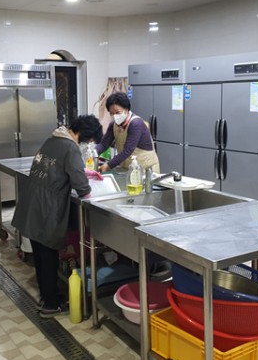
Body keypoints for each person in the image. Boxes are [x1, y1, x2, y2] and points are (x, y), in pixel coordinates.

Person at [11, 115, 103, 318]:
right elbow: (80, 185)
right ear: (84, 134)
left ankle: (47, 297)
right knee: (48, 257)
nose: (87, 144)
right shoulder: (70, 147)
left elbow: (58, 168)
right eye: (89, 140)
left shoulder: (53, 139)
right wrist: (89, 191)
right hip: (46, 207)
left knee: (40, 255)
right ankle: (51, 305)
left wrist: (85, 172)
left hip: (32, 204)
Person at [95, 92, 160, 173]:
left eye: (117, 112)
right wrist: (93, 152)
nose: (115, 116)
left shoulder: (136, 124)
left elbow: (127, 150)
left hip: (146, 169)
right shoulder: (113, 125)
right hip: (129, 168)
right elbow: (103, 144)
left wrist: (108, 165)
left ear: (126, 109)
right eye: (112, 114)